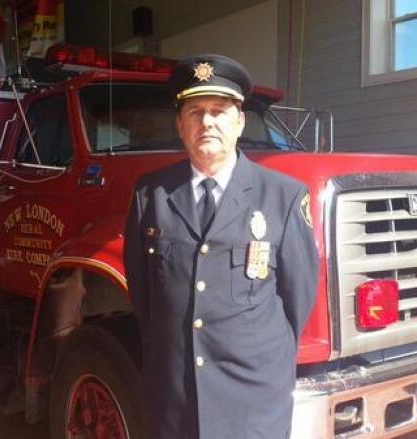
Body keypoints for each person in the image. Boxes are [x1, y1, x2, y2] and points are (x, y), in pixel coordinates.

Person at [124, 54, 319, 439]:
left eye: (219, 110)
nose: (207, 121)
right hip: (175, 399)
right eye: (195, 111)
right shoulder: (152, 194)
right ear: (180, 125)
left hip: (251, 399)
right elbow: (145, 296)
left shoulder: (282, 196)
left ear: (240, 121)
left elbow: (298, 300)